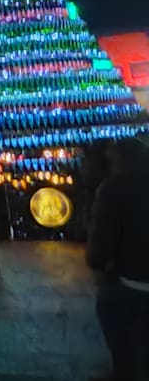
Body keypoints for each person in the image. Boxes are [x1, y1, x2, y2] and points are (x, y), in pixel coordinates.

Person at [88, 137, 149, 381]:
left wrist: (99, 265)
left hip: (131, 283)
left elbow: (100, 250)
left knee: (111, 308)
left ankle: (124, 372)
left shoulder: (114, 188)